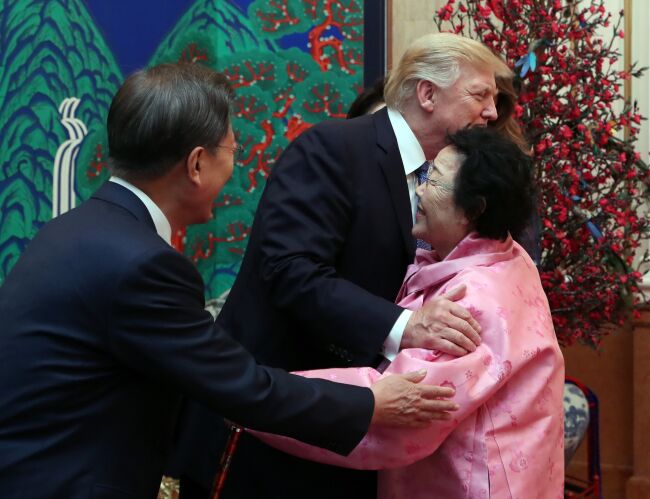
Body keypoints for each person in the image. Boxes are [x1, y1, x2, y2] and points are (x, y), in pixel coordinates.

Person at [0, 63, 462, 499]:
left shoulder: (75, 229)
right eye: (233, 151)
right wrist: (370, 402)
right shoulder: (144, 265)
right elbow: (242, 387)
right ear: (197, 165)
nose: (235, 166)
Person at [172, 32, 515, 499]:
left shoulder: (447, 179)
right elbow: (290, 271)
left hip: (350, 440)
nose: (492, 112)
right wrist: (404, 326)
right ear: (427, 94)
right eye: (480, 95)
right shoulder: (332, 149)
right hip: (263, 436)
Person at [252, 126, 566, 498]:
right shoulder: (511, 259)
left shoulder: (472, 300)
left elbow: (397, 416)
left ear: (473, 209)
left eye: (433, 180)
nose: (419, 190)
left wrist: (257, 398)